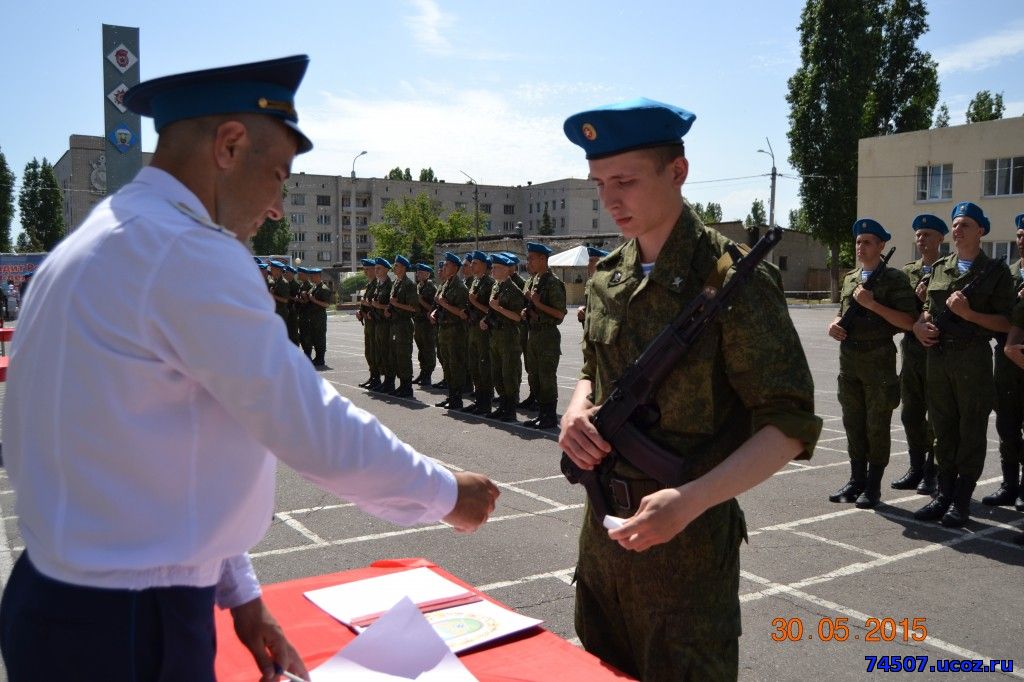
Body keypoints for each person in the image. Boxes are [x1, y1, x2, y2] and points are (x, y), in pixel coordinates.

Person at [0, 55, 499, 682]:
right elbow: (308, 424)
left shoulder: (105, 236)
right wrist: (449, 494)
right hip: (129, 621)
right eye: (279, 176)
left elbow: (176, 455)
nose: (278, 209)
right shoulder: (186, 250)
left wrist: (241, 593)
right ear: (230, 146)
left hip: (73, 598)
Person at [558, 98, 821, 681]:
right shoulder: (607, 277)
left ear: (677, 172)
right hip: (602, 539)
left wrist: (694, 500)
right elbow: (589, 369)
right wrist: (575, 413)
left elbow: (789, 423)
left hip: (686, 554)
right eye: (600, 183)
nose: (610, 199)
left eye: (625, 180)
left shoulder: (735, 281)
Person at [912, 201, 1014, 527]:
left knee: (970, 430)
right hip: (939, 357)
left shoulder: (996, 272)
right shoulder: (941, 267)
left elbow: (1006, 323)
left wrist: (969, 314)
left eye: (965, 224)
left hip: (973, 358)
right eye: (955, 224)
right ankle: (943, 495)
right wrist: (920, 325)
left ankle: (961, 501)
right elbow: (928, 309)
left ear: (980, 231)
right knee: (942, 428)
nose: (957, 229)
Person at [826, 219, 916, 508]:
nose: (860, 247)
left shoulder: (895, 280)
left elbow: (909, 322)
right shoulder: (851, 278)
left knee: (876, 425)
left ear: (881, 246)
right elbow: (842, 315)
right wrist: (834, 325)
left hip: (878, 363)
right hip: (849, 362)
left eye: (867, 242)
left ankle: (873, 487)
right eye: (858, 242)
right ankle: (856, 480)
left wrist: (873, 304)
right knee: (853, 424)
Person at [891, 215, 946, 495]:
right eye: (919, 235)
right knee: (911, 413)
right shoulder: (907, 272)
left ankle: (931, 471)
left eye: (928, 234)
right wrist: (916, 298)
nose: (922, 240)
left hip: (937, 352)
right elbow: (901, 311)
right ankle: (915, 468)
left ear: (940, 239)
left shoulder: (948, 270)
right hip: (912, 351)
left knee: (935, 415)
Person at [986, 213, 1024, 510]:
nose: (1022, 240)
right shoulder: (1007, 275)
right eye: (1020, 234)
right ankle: (1009, 484)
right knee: (1007, 426)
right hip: (1007, 360)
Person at [520, 242, 567, 429]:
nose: (528, 262)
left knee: (547, 377)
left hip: (547, 336)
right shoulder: (534, 280)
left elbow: (560, 314)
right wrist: (527, 311)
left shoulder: (553, 282)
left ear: (542, 259)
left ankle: (549, 417)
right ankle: (541, 413)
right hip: (534, 334)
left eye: (531, 258)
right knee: (535, 376)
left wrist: (537, 304)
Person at [483, 254, 528, 422]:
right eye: (492, 267)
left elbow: (518, 317)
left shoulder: (514, 289)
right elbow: (492, 310)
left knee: (509, 374)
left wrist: (499, 307)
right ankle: (502, 406)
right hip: (496, 336)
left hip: (509, 338)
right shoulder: (496, 287)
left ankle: (510, 410)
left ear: (505, 270)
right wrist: (485, 320)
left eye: (496, 268)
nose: (492, 270)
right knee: (497, 373)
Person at [432, 252, 470, 410]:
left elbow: (462, 313)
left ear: (455, 268)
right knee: (447, 365)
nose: (444, 267)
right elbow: (440, 304)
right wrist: (436, 311)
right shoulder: (446, 284)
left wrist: (444, 304)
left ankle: (457, 399)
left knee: (455, 365)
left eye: (447, 265)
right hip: (444, 329)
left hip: (455, 331)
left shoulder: (460, 287)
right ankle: (451, 396)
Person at [464, 251, 495, 415]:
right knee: (475, 366)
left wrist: (474, 302)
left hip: (484, 332)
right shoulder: (475, 282)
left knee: (484, 367)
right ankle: (479, 400)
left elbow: (493, 310)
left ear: (483, 265)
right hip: (473, 329)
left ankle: (485, 403)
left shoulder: (489, 284)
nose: (471, 266)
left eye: (475, 263)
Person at [387, 255, 419, 398]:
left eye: (397, 266)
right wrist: (389, 309)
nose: (395, 268)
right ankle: (401, 385)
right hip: (395, 324)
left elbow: (414, 308)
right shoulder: (396, 283)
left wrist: (396, 304)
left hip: (404, 325)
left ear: (404, 268)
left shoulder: (409, 285)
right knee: (396, 356)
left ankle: (407, 387)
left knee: (404, 356)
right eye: (395, 265)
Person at [370, 257, 395, 393]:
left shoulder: (390, 285)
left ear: (386, 269)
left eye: (378, 268)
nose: (376, 270)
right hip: (378, 323)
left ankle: (389, 382)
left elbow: (391, 306)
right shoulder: (379, 284)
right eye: (375, 268)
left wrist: (378, 306)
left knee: (387, 353)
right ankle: (385, 381)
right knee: (381, 353)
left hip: (386, 325)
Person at [356, 258, 380, 388]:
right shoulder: (369, 285)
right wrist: (360, 312)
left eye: (367, 269)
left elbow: (376, 304)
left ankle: (376, 379)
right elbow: (364, 303)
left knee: (375, 352)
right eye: (364, 269)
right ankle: (373, 376)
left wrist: (367, 305)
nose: (365, 272)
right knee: (369, 352)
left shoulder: (377, 285)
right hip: (368, 323)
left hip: (375, 323)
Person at [412, 263, 437, 386]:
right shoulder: (418, 286)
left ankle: (428, 375)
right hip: (418, 322)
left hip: (427, 324)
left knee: (428, 349)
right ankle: (423, 372)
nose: (418, 274)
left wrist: (420, 300)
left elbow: (433, 308)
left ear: (427, 274)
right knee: (421, 349)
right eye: (417, 272)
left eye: (421, 272)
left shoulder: (431, 288)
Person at [307, 268, 333, 369]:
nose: (311, 277)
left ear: (317, 276)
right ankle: (317, 357)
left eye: (312, 276)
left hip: (320, 317)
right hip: (313, 317)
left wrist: (313, 300)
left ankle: (320, 359)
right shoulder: (314, 287)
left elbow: (326, 304)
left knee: (320, 338)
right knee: (315, 337)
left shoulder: (324, 288)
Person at [578, 246, 608, 325]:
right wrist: (583, 310)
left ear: (602, 263)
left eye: (591, 261)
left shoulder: (609, 283)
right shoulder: (590, 282)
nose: (588, 265)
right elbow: (591, 305)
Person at [268, 260, 290, 327]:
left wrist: (273, 295)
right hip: (276, 311)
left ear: (277, 270)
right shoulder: (276, 281)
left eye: (272, 269)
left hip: (281, 313)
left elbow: (285, 300)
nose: (271, 270)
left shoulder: (283, 282)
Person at [283, 264, 302, 345]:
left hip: (293, 312)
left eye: (286, 273)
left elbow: (298, 300)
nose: (284, 274)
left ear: (291, 274)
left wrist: (288, 297)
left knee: (293, 334)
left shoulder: (296, 285)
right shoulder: (285, 283)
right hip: (285, 312)